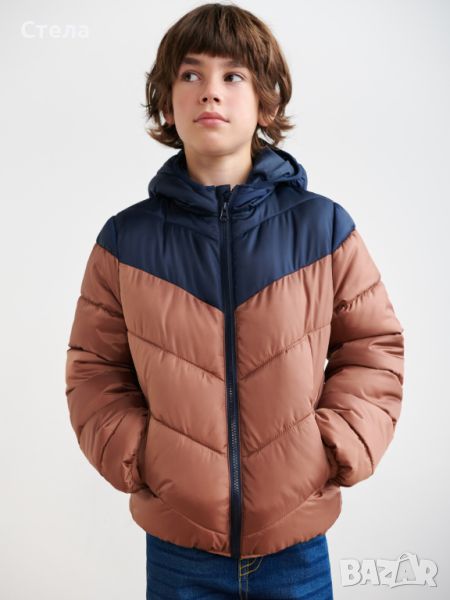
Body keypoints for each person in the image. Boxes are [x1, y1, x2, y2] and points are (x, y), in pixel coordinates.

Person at [64, 3, 405, 599]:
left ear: (265, 102)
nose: (210, 91)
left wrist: (331, 447)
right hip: (180, 552)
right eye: (190, 74)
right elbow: (94, 368)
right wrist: (141, 456)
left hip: (296, 548)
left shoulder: (323, 229)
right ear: (166, 102)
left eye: (233, 75)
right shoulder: (126, 241)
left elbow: (373, 348)